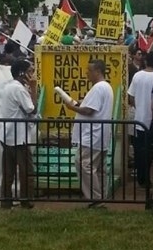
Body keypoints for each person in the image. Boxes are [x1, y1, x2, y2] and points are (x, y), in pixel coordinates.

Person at [61, 59, 114, 208]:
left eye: (89, 71)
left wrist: (72, 108)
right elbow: (89, 105)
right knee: (97, 168)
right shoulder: (105, 87)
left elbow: (88, 110)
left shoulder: (99, 88)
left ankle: (95, 198)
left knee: (85, 165)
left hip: (93, 134)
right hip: (100, 134)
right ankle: (100, 196)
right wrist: (78, 103)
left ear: (97, 71)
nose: (86, 73)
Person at [0, 59, 37, 210]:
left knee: (8, 172)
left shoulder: (10, 87)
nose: (32, 75)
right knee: (26, 171)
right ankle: (26, 200)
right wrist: (33, 89)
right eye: (30, 71)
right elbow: (31, 109)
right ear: (22, 74)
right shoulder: (19, 89)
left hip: (8, 134)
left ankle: (6, 201)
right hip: (18, 136)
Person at [127, 51, 153, 187]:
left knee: (140, 151)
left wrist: (139, 106)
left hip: (140, 119)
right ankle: (149, 179)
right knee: (152, 152)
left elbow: (131, 96)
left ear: (146, 61)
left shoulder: (137, 76)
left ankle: (142, 178)